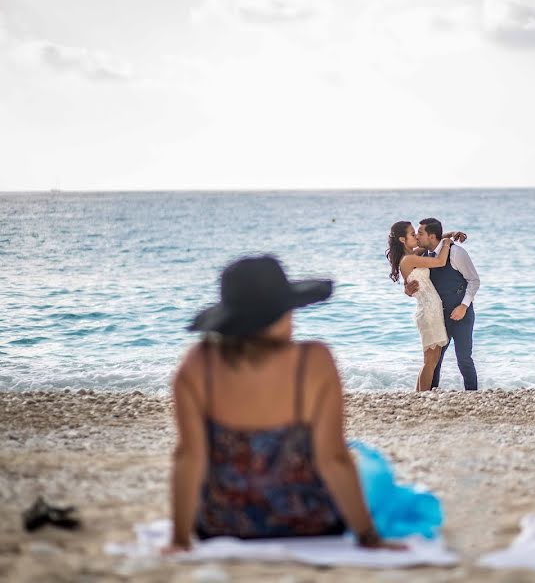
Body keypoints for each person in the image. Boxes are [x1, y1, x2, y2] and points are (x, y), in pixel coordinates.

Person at [165, 255, 401, 552]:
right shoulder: (314, 361)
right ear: (282, 313)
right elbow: (333, 459)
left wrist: (179, 540)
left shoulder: (198, 363)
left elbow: (189, 457)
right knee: (368, 464)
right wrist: (369, 538)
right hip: (310, 522)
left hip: (223, 524)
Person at [386, 221, 464, 392]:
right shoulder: (409, 259)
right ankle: (422, 396)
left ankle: (419, 396)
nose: (416, 236)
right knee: (430, 361)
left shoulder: (412, 255)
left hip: (431, 310)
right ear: (402, 239)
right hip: (428, 312)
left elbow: (431, 241)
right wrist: (447, 243)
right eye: (412, 234)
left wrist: (449, 234)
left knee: (432, 359)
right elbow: (440, 261)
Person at [404, 218, 480, 391]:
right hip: (437, 315)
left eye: (420, 233)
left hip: (462, 313)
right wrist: (409, 290)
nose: (417, 236)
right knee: (434, 359)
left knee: (464, 358)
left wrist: (463, 306)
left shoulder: (456, 253)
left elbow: (474, 281)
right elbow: (418, 285)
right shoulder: (423, 256)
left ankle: (472, 394)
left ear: (431, 236)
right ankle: (432, 394)